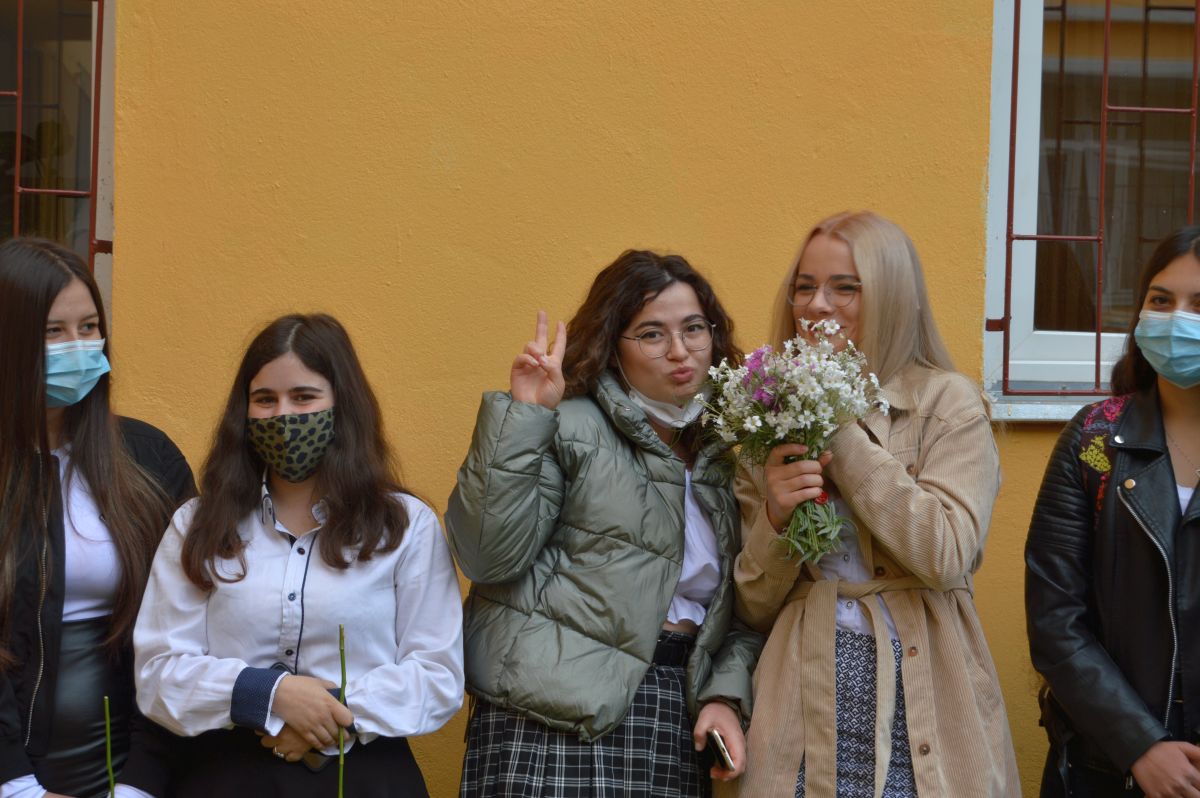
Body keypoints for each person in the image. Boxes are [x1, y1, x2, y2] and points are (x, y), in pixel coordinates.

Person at [447, 250, 762, 797]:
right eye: (652, 334)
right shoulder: (565, 424)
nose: (680, 351)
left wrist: (726, 697)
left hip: (670, 713)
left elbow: (749, 609)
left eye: (694, 329)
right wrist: (526, 415)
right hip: (550, 716)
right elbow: (485, 555)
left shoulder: (728, 459)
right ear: (612, 346)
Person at [733, 211, 1019, 796]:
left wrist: (839, 428)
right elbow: (753, 606)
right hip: (802, 686)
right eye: (805, 286)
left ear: (891, 297)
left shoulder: (948, 403)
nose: (817, 305)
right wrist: (775, 521)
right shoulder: (769, 416)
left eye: (845, 287)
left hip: (927, 683)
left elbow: (945, 554)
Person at [132, 313, 463, 797]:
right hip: (227, 774)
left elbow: (437, 675)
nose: (283, 416)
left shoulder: (405, 526)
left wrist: (328, 717)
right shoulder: (197, 524)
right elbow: (158, 672)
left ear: (343, 405)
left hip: (365, 774)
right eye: (265, 399)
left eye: (304, 397)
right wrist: (270, 695)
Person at [0, 237, 195, 798]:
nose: (79, 347)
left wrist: (138, 784)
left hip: (134, 769)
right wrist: (18, 787)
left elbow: (193, 625)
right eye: (53, 332)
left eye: (89, 327)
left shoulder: (149, 457)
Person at [1027, 226, 1200, 798]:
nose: (1176, 320)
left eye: (1199, 305)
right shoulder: (1094, 439)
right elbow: (1055, 619)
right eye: (1161, 300)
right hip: (1103, 769)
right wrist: (1140, 744)